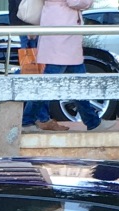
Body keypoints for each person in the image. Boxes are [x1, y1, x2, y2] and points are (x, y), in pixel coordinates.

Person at [22, 0, 101, 132]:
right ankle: (26, 120)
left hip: (61, 32)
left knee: (76, 82)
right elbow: (76, 2)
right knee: (49, 83)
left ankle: (93, 122)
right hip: (63, 35)